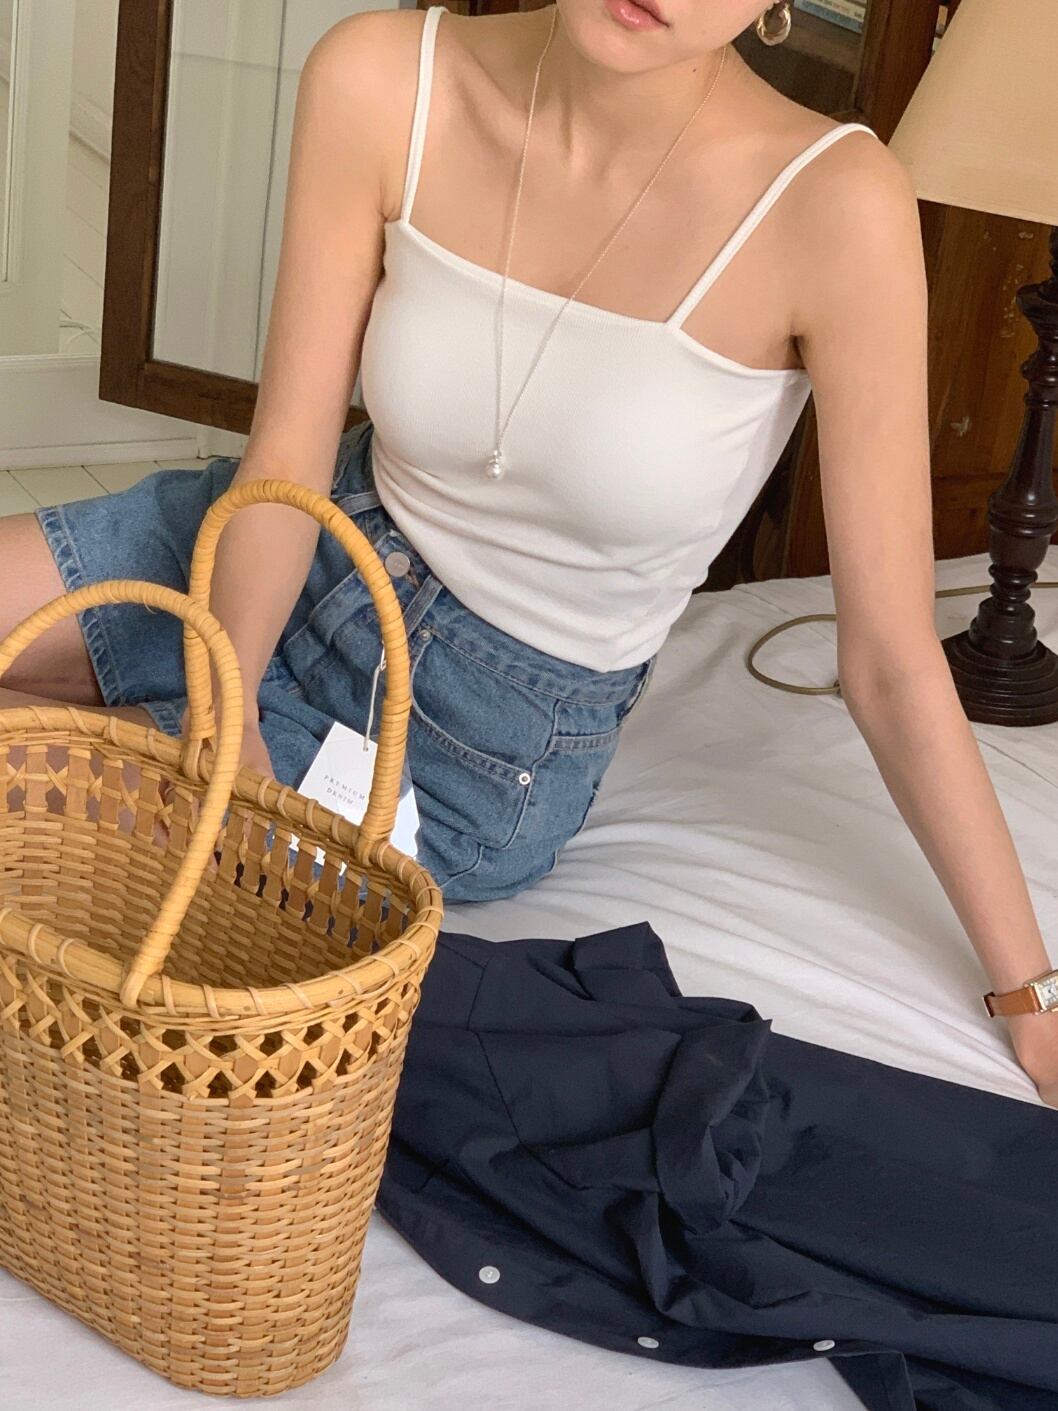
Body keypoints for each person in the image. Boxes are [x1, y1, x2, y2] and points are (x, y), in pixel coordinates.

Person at [1, 2, 1056, 1101]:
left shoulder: (835, 204)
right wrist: (233, 713)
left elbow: (887, 660)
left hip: (476, 734)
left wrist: (1033, 995)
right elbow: (287, 453)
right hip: (288, 537)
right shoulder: (383, 75)